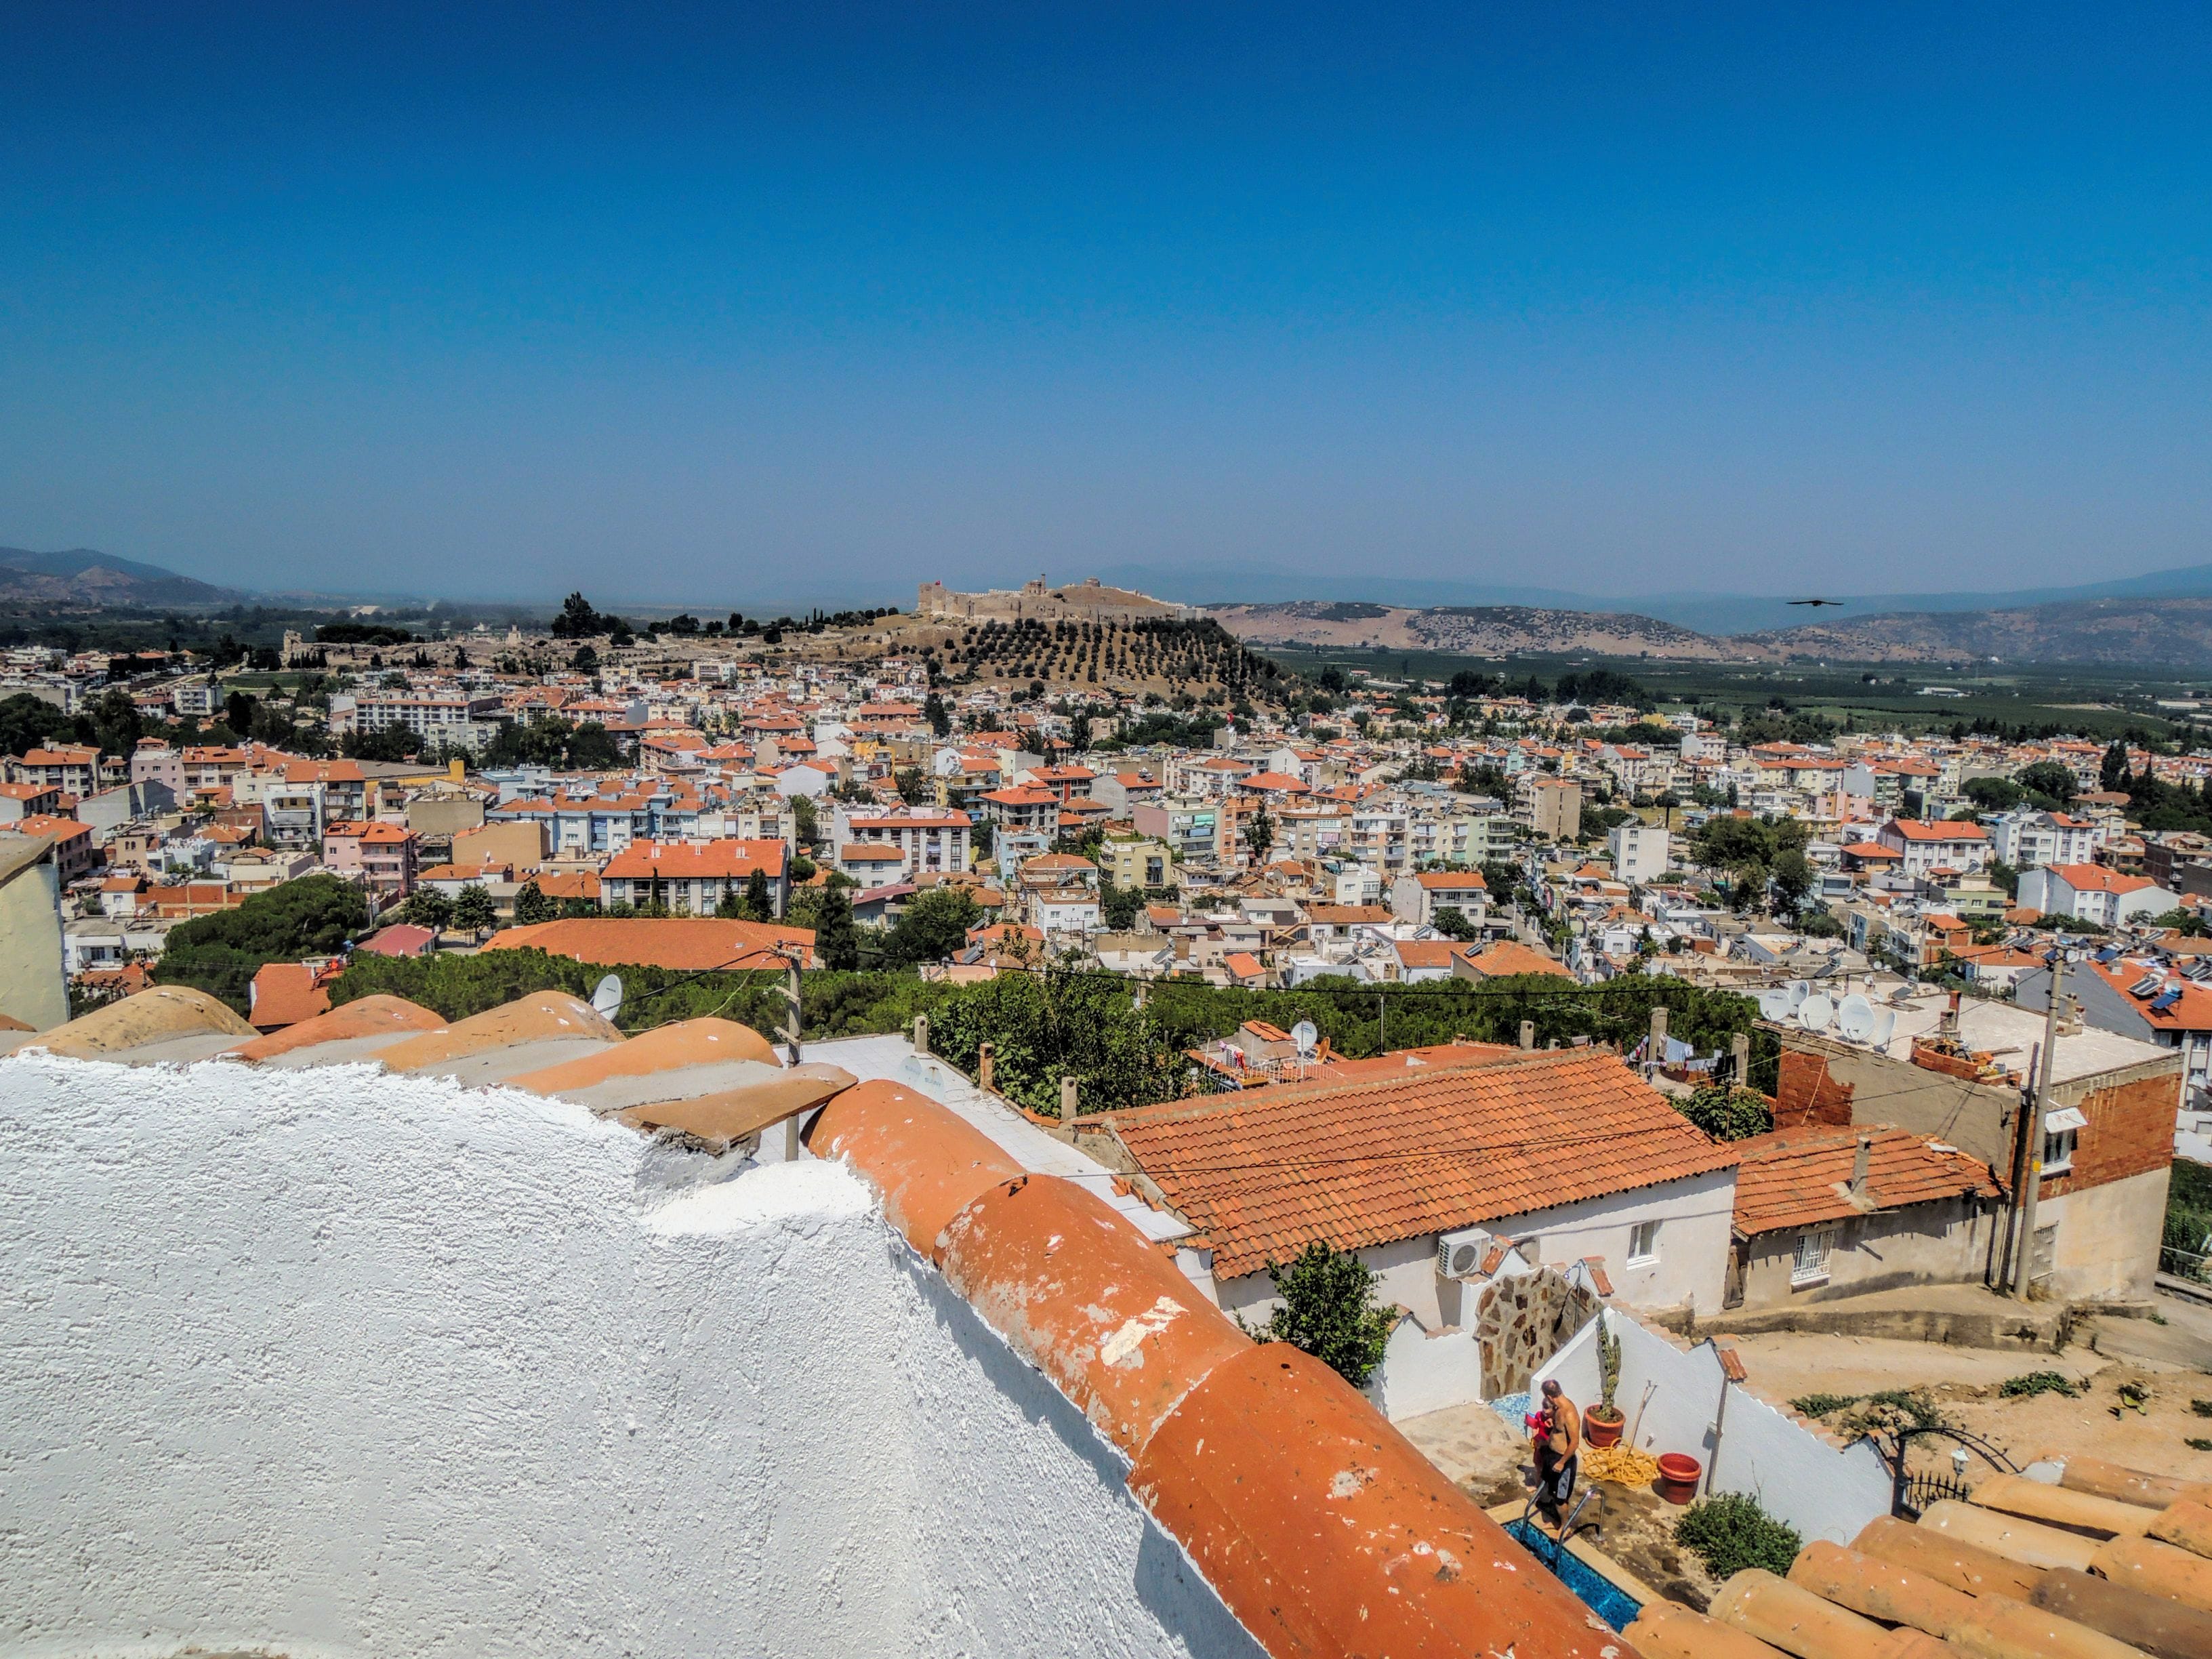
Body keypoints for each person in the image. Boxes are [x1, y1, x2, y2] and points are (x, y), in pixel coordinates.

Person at [1532, 1378, 1580, 1528]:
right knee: (1551, 1489)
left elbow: (1575, 1443)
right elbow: (1560, 1430)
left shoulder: (1569, 1413)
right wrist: (1552, 1424)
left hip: (1563, 1461)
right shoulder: (1558, 1409)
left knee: (1561, 1499)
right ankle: (1554, 1517)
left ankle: (1565, 1526)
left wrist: (1562, 1463)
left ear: (1549, 1397)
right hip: (1552, 1456)